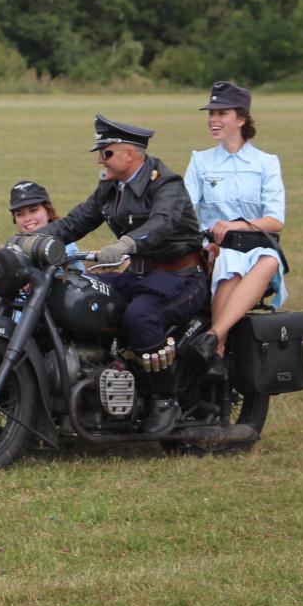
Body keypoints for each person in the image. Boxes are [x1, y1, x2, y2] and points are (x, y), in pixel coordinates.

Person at [36, 115, 207, 436]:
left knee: (140, 317)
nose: (101, 159)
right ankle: (96, 379)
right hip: (140, 277)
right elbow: (76, 222)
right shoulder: (111, 187)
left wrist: (128, 243)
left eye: (107, 153)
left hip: (181, 277)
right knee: (80, 293)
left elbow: (163, 223)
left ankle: (165, 400)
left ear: (131, 154)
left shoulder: (165, 184)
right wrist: (29, 241)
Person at [182, 81, 286, 385]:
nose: (213, 119)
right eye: (211, 113)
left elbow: (276, 219)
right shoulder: (200, 161)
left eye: (222, 113)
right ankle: (219, 346)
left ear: (241, 119)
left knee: (269, 260)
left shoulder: (266, 163)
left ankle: (214, 338)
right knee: (229, 262)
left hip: (254, 246)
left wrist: (235, 225)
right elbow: (186, 212)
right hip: (215, 249)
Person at [0, 180, 79, 274]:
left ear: (48, 212)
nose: (27, 219)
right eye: (20, 214)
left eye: (33, 210)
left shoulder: (64, 248)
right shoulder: (17, 246)